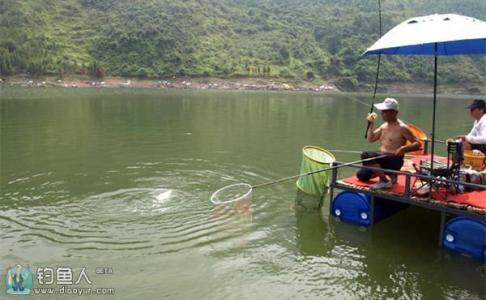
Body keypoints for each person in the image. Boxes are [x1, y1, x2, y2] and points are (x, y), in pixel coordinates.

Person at [357, 98, 421, 189]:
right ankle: (390, 175)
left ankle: (384, 180)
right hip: (382, 158)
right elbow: (370, 139)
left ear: (394, 112)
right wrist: (371, 123)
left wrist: (403, 149)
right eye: (382, 111)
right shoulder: (384, 126)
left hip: (394, 160)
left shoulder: (402, 128)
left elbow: (418, 144)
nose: (382, 114)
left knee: (365, 154)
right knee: (361, 175)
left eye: (385, 111)